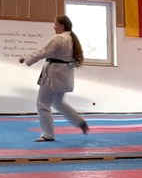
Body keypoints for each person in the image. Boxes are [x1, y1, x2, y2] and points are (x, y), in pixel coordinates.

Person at [19, 14, 90, 142]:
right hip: (64, 75)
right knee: (58, 103)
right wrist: (28, 58)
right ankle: (79, 122)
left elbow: (44, 51)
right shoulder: (71, 39)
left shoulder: (59, 38)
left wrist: (28, 59)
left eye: (56, 24)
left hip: (53, 75)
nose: (54, 27)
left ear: (62, 26)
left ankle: (48, 134)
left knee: (42, 103)